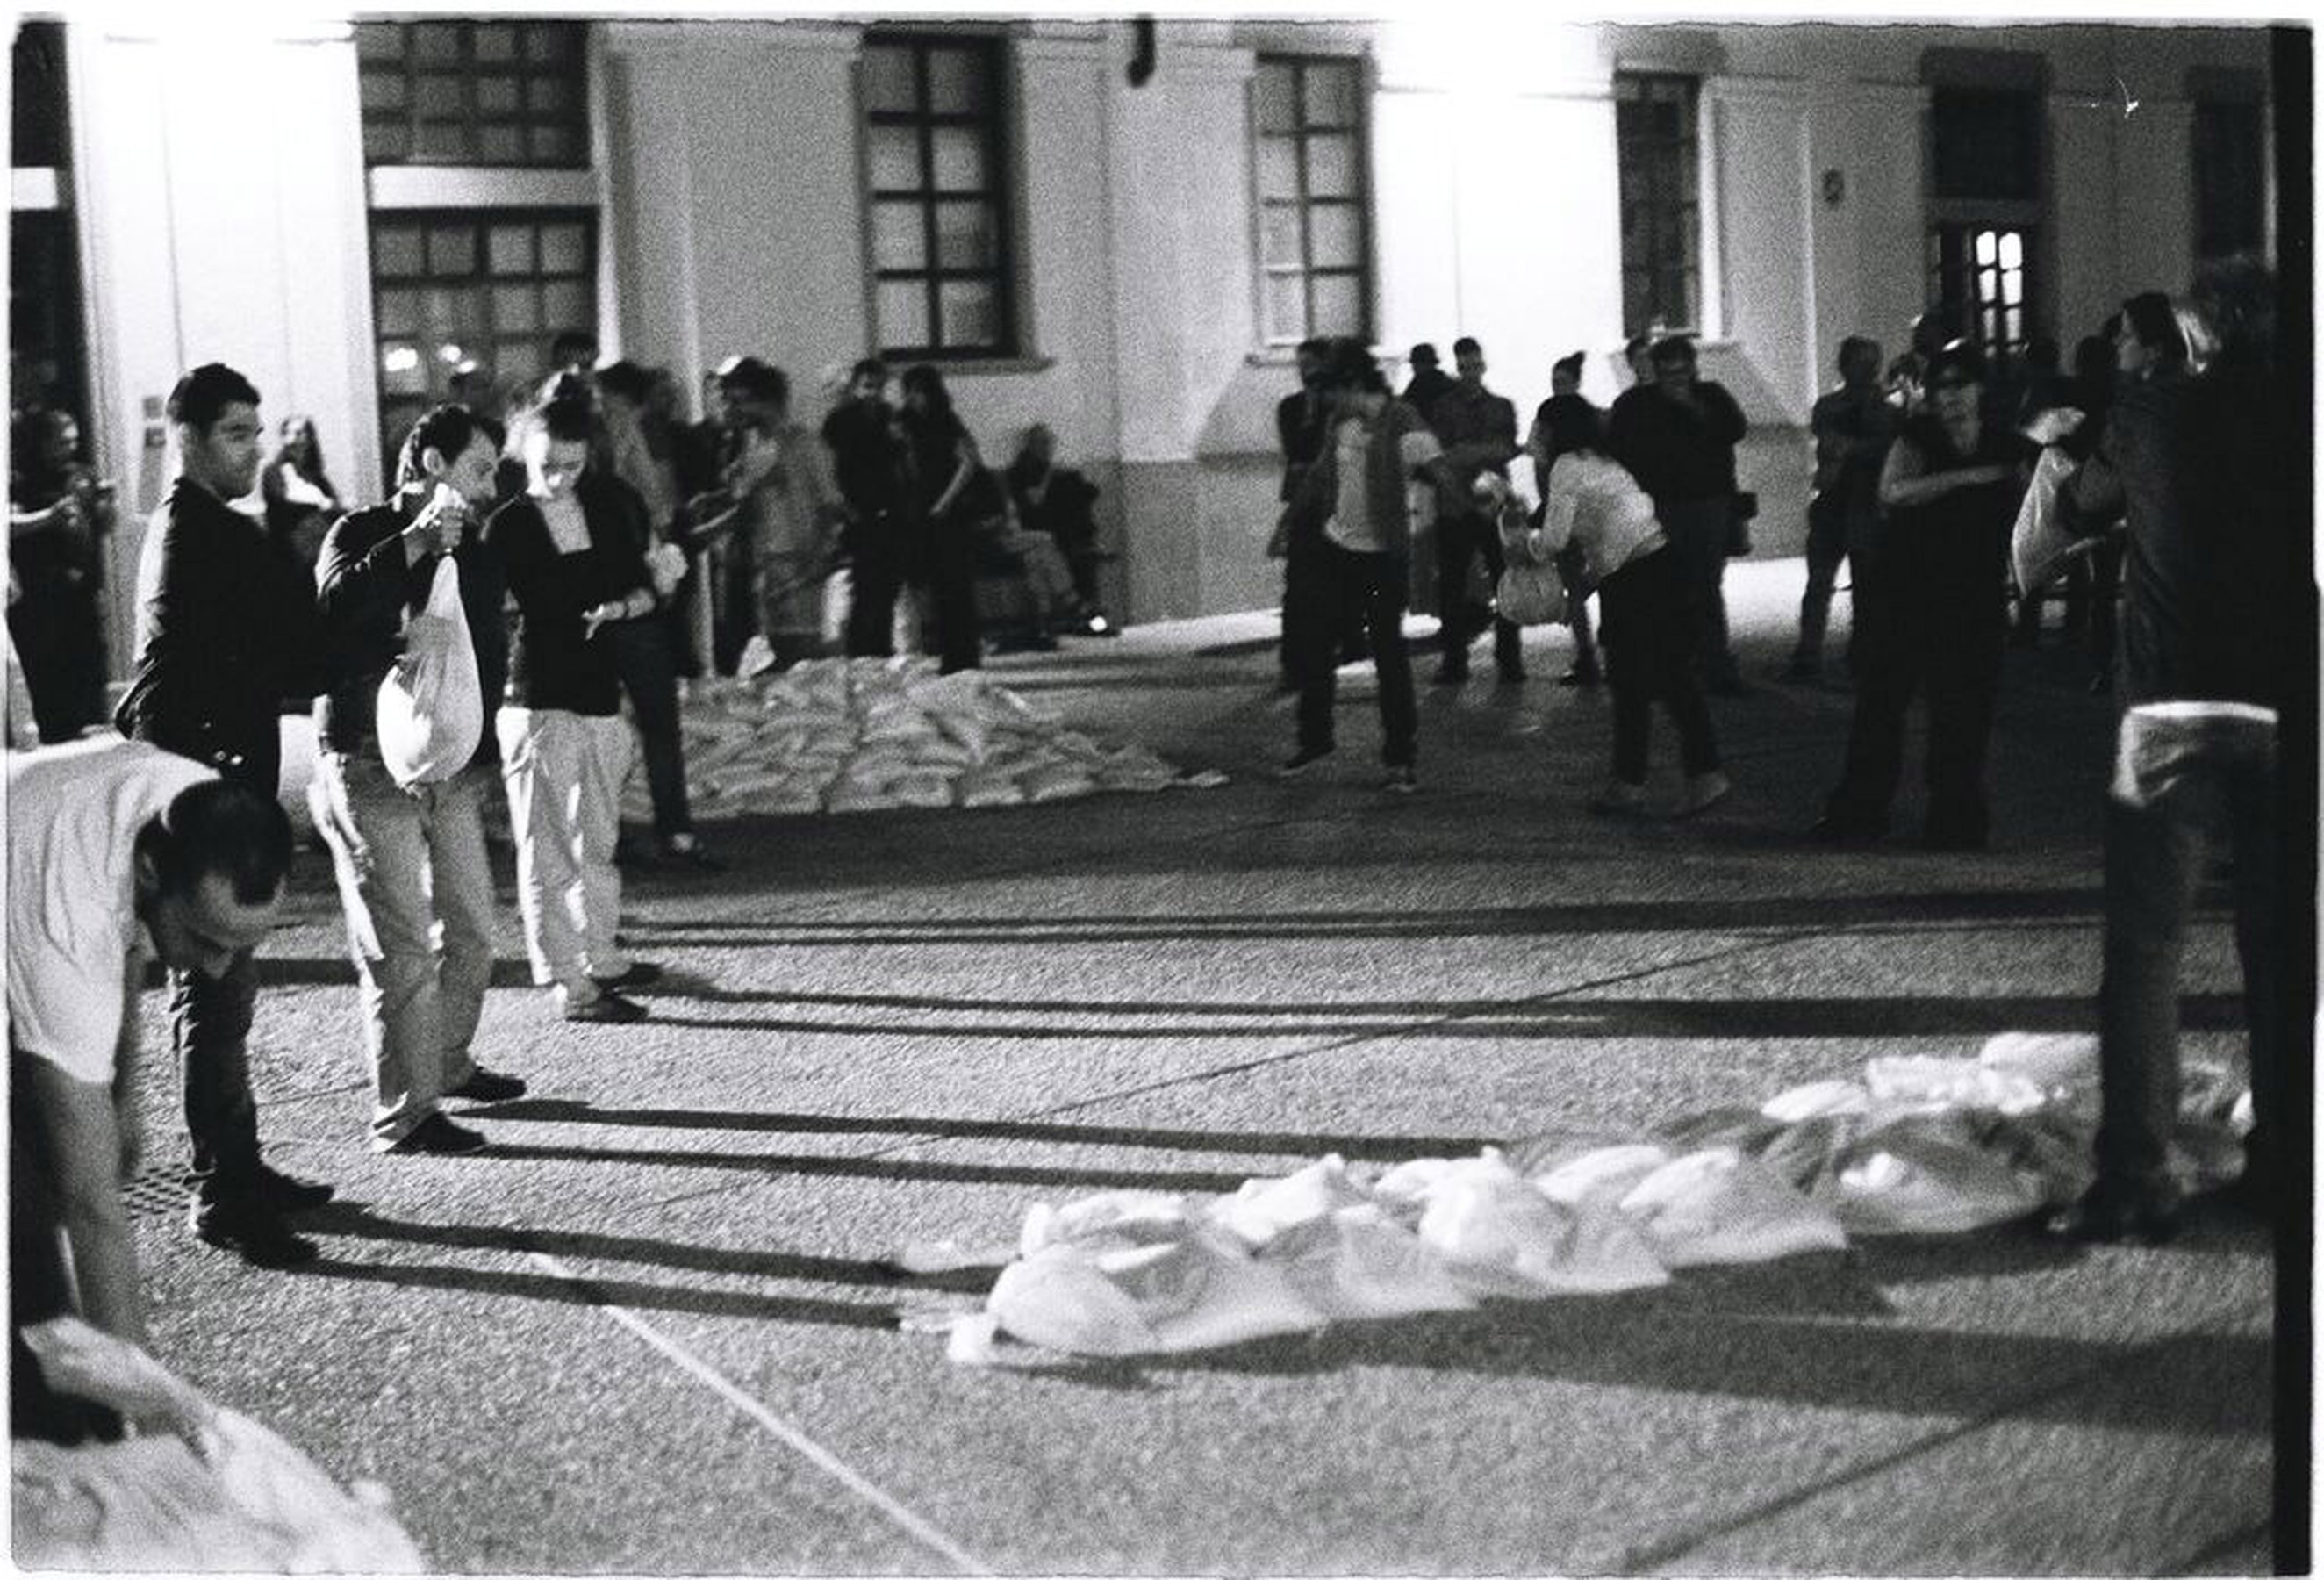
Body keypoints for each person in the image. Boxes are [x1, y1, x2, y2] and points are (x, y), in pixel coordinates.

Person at [2048, 264, 2295, 1241]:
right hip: (2284, 706)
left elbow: (2079, 509)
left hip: (2167, 706)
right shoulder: (2302, 415)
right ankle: (2286, 1161)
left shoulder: (2149, 411)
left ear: (2193, 339)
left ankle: (2135, 1175)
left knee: (2146, 946)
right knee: (2280, 946)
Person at [113, 362, 334, 1268]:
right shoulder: (203, 534)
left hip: (206, 784)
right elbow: (282, 654)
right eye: (237, 433)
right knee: (212, 994)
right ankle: (222, 1194)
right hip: (201, 797)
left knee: (225, 998)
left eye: (257, 429)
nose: (255, 448)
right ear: (192, 439)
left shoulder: (198, 528)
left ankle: (238, 1166)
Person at [9, 742, 292, 1440]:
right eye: (207, 940)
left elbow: (129, 945)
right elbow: (95, 1208)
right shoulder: (63, 911)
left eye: (242, 945)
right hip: (22, 875)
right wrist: (165, 1423)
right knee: (34, 1228)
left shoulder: (195, 805)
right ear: (149, 872)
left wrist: (123, 1093)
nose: (222, 970)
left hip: (38, 853)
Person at [313, 403, 529, 1158]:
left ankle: (446, 1061)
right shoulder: (360, 531)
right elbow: (331, 613)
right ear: (432, 464)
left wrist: (481, 759)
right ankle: (404, 1112)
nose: (489, 485)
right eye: (479, 468)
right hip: (369, 760)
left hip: (451, 768)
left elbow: (486, 652)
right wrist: (410, 548)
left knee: (473, 930)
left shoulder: (478, 550)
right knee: (401, 944)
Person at [488, 382, 663, 1023]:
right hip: (536, 695)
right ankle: (568, 982)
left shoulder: (603, 507)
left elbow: (646, 590)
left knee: (598, 838)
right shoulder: (506, 524)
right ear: (521, 457)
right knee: (547, 847)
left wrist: (618, 607)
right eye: (546, 467)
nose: (560, 479)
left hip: (598, 690)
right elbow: (486, 607)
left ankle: (603, 955)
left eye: (573, 464)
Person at [1811, 342, 2031, 850]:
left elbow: (2026, 513)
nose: (1950, 396)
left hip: (1973, 594)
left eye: (1961, 384)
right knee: (1882, 702)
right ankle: (1862, 809)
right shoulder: (1918, 435)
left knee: (1964, 709)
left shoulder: (2007, 444)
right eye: (1941, 386)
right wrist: (1968, 477)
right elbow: (1893, 492)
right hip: (1906, 588)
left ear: (1981, 388)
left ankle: (1955, 816)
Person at [1499, 395, 1725, 818]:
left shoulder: (1567, 465)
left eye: (1541, 427)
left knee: (1637, 679)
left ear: (1555, 429)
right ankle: (1683, 775)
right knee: (1662, 676)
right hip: (1655, 565)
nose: (1535, 436)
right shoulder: (1602, 459)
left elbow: (1554, 539)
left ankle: (1649, 781)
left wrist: (1520, 544)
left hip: (1637, 577)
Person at [1276, 339, 1445, 793]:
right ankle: (1314, 740)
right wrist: (1287, 524)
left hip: (1383, 559)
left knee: (1388, 655)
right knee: (1316, 645)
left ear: (1354, 383)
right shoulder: (1340, 421)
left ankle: (1400, 759)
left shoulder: (1402, 418)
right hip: (1337, 550)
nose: (1329, 399)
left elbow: (1438, 467)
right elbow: (1317, 476)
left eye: (1334, 389)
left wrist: (1476, 504)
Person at [593, 362, 714, 868]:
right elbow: (660, 530)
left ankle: (617, 835)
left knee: (607, 729)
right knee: (650, 727)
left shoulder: (584, 493)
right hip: (634, 611)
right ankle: (672, 832)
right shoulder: (623, 484)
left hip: (608, 616)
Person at [1606, 335, 1751, 693]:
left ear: (1694, 369)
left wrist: (1692, 407)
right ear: (1655, 371)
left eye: (1683, 372)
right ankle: (1666, 667)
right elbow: (1619, 451)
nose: (1676, 380)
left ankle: (1715, 665)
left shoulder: (1711, 396)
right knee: (1660, 591)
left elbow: (1734, 430)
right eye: (1668, 373)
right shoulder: (1634, 404)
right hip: (1658, 508)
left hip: (1708, 505)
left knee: (1706, 587)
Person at [713, 361, 843, 671]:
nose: (734, 409)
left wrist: (815, 561)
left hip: (801, 568)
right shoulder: (750, 447)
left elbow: (832, 508)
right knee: (767, 665)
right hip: (762, 568)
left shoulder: (806, 445)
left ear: (766, 402)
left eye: (740, 400)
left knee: (804, 663)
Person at [1789, 336, 1896, 681]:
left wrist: (1857, 443)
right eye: (1861, 363)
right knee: (1819, 585)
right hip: (1833, 505)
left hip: (1867, 505)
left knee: (1867, 589)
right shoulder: (1830, 405)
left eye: (1872, 363)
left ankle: (1862, 654)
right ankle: (1808, 654)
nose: (1868, 371)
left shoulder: (1885, 409)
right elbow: (1837, 435)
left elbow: (1884, 445)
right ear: (1844, 365)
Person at [8, 406, 116, 739]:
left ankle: (85, 718)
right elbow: (7, 527)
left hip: (82, 583)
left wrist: (107, 506)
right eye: (61, 442)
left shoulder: (82, 475)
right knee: (49, 656)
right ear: (42, 443)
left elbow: (104, 526)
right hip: (42, 585)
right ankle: (54, 724)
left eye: (73, 441)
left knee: (88, 650)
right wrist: (50, 517)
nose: (69, 448)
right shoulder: (21, 480)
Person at [1428, 336, 1524, 686]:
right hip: (1456, 504)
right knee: (1451, 586)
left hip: (1493, 504)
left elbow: (1506, 448)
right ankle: (1455, 661)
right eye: (1464, 367)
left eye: (1474, 365)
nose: (1470, 372)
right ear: (1458, 367)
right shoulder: (1444, 407)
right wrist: (1483, 452)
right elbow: (1445, 454)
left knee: (1506, 581)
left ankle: (1509, 658)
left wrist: (1467, 451)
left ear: (1482, 366)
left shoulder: (1502, 406)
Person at [821, 358, 915, 658]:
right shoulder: (839, 421)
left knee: (888, 586)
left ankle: (882, 651)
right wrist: (844, 509)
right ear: (856, 387)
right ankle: (862, 654)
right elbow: (831, 467)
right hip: (859, 512)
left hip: (892, 509)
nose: (873, 393)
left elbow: (902, 460)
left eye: (878, 386)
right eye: (867, 387)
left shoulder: (890, 417)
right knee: (864, 588)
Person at [896, 364, 984, 673]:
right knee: (933, 587)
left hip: (946, 514)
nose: (915, 398)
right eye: (911, 392)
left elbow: (968, 462)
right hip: (919, 512)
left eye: (921, 392)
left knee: (955, 587)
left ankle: (963, 658)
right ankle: (947, 656)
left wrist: (944, 503)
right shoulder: (904, 423)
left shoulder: (946, 421)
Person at [1525, 353, 1603, 687]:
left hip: (1565, 501)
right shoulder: (1590, 413)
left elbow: (1538, 457)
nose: (1557, 387)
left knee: (1573, 574)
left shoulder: (1549, 412)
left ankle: (1586, 654)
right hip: (1586, 503)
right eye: (1555, 382)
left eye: (1561, 381)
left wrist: (1547, 500)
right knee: (1594, 573)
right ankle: (1592, 649)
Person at [1005, 423, 1114, 635]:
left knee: (1078, 547)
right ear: (1031, 445)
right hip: (1037, 530)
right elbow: (1032, 503)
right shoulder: (1020, 471)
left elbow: (1089, 493)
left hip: (1061, 530)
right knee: (1048, 552)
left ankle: (1082, 616)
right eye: (1043, 443)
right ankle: (1077, 610)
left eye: (1049, 443)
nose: (1048, 448)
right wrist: (1050, 478)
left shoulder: (1059, 472)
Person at [1272, 338, 1335, 689]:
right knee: (1297, 585)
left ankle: (1326, 655)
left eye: (1312, 365)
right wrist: (1311, 411)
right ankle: (1293, 664)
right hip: (1303, 504)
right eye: (1302, 365)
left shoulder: (1340, 408)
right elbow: (1295, 450)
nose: (1306, 372)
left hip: (1336, 504)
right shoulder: (1291, 407)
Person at [260, 414, 341, 571]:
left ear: (309, 439)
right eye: (287, 433)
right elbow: (286, 498)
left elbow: (335, 507)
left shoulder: (317, 476)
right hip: (291, 556)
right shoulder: (274, 472)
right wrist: (320, 501)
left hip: (319, 553)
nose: (292, 439)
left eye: (298, 433)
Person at [1401, 342, 1456, 420]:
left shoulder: (1418, 385)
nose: (1413, 368)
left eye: (1416, 364)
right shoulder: (1449, 382)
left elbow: (1406, 406)